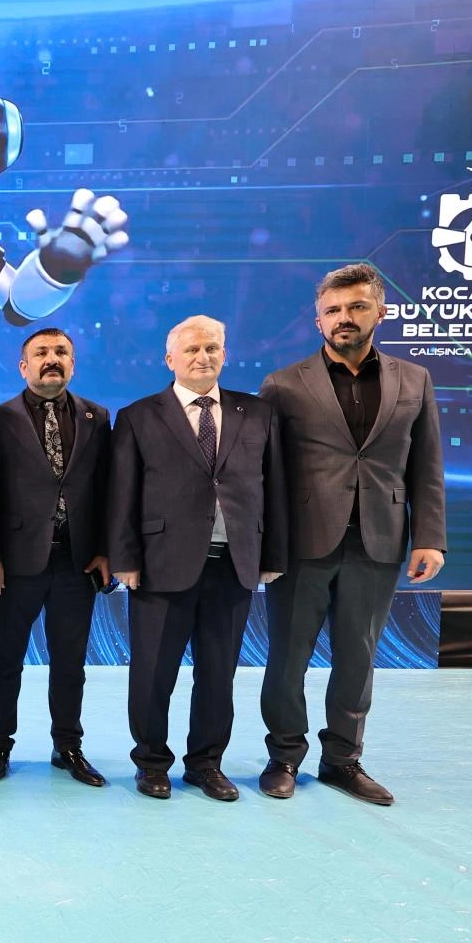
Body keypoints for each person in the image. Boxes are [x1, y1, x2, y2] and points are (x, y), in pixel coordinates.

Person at [257, 264, 446, 806]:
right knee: (287, 658)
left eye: (357, 307)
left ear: (380, 313)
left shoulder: (415, 381)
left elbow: (427, 465)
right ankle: (284, 756)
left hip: (380, 540)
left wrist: (430, 537)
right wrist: (266, 545)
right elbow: (266, 474)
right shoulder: (283, 384)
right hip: (302, 545)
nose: (345, 317)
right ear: (318, 321)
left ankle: (342, 760)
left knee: (358, 658)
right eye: (333, 310)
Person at [108, 315, 287, 802]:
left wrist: (272, 553)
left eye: (211, 348)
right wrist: (124, 558)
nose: (202, 357)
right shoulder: (138, 416)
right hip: (160, 565)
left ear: (224, 354)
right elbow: (121, 494)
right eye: (191, 350)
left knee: (217, 675)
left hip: (234, 564)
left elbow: (275, 488)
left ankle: (206, 764)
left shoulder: (258, 413)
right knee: (153, 674)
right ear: (170, 359)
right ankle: (151, 762)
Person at [0, 327, 111, 787]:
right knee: (6, 660)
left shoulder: (98, 417)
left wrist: (104, 551)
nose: (51, 358)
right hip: (15, 564)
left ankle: (68, 746)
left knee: (70, 663)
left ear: (72, 363)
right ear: (24, 366)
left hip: (77, 562)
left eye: (61, 352)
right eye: (41, 353)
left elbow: (108, 491)